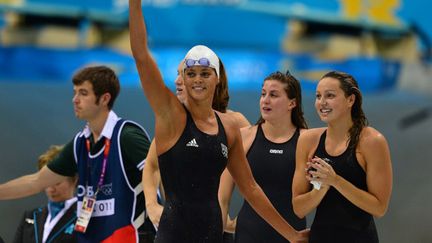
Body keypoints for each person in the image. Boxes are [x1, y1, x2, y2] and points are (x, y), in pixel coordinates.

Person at [129, 1, 309, 242]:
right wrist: (134, 4)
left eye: (204, 74)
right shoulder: (171, 116)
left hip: (213, 234)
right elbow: (141, 56)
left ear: (217, 78)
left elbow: (251, 189)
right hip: (174, 234)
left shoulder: (229, 126)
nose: (197, 80)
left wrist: (292, 235)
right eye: (190, 74)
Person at [0, 66, 154, 243]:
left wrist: (157, 207)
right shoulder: (80, 143)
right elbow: (36, 182)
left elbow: (161, 172)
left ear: (104, 98)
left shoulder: (127, 136)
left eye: (83, 93)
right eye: (75, 93)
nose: (75, 100)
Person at [142, 60, 250, 233]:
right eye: (182, 74)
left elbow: (254, 178)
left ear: (215, 79)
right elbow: (151, 166)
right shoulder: (174, 124)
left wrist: (244, 219)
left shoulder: (233, 124)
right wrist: (152, 205)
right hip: (178, 227)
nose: (178, 80)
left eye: (186, 73)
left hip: (216, 228)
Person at [292, 71, 393, 242]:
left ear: (350, 100)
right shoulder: (308, 140)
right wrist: (321, 188)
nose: (322, 102)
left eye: (330, 95)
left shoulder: (372, 141)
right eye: (318, 96)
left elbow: (379, 208)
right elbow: (299, 208)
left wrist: (335, 181)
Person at [219, 71, 308, 243]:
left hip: (294, 237)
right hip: (249, 235)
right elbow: (222, 198)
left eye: (273, 95)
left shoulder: (307, 140)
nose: (265, 100)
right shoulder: (243, 137)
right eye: (263, 94)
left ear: (292, 103)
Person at [13, 145, 78, 243]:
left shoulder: (87, 219)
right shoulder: (30, 216)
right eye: (46, 182)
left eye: (57, 182)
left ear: (74, 179)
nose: (51, 189)